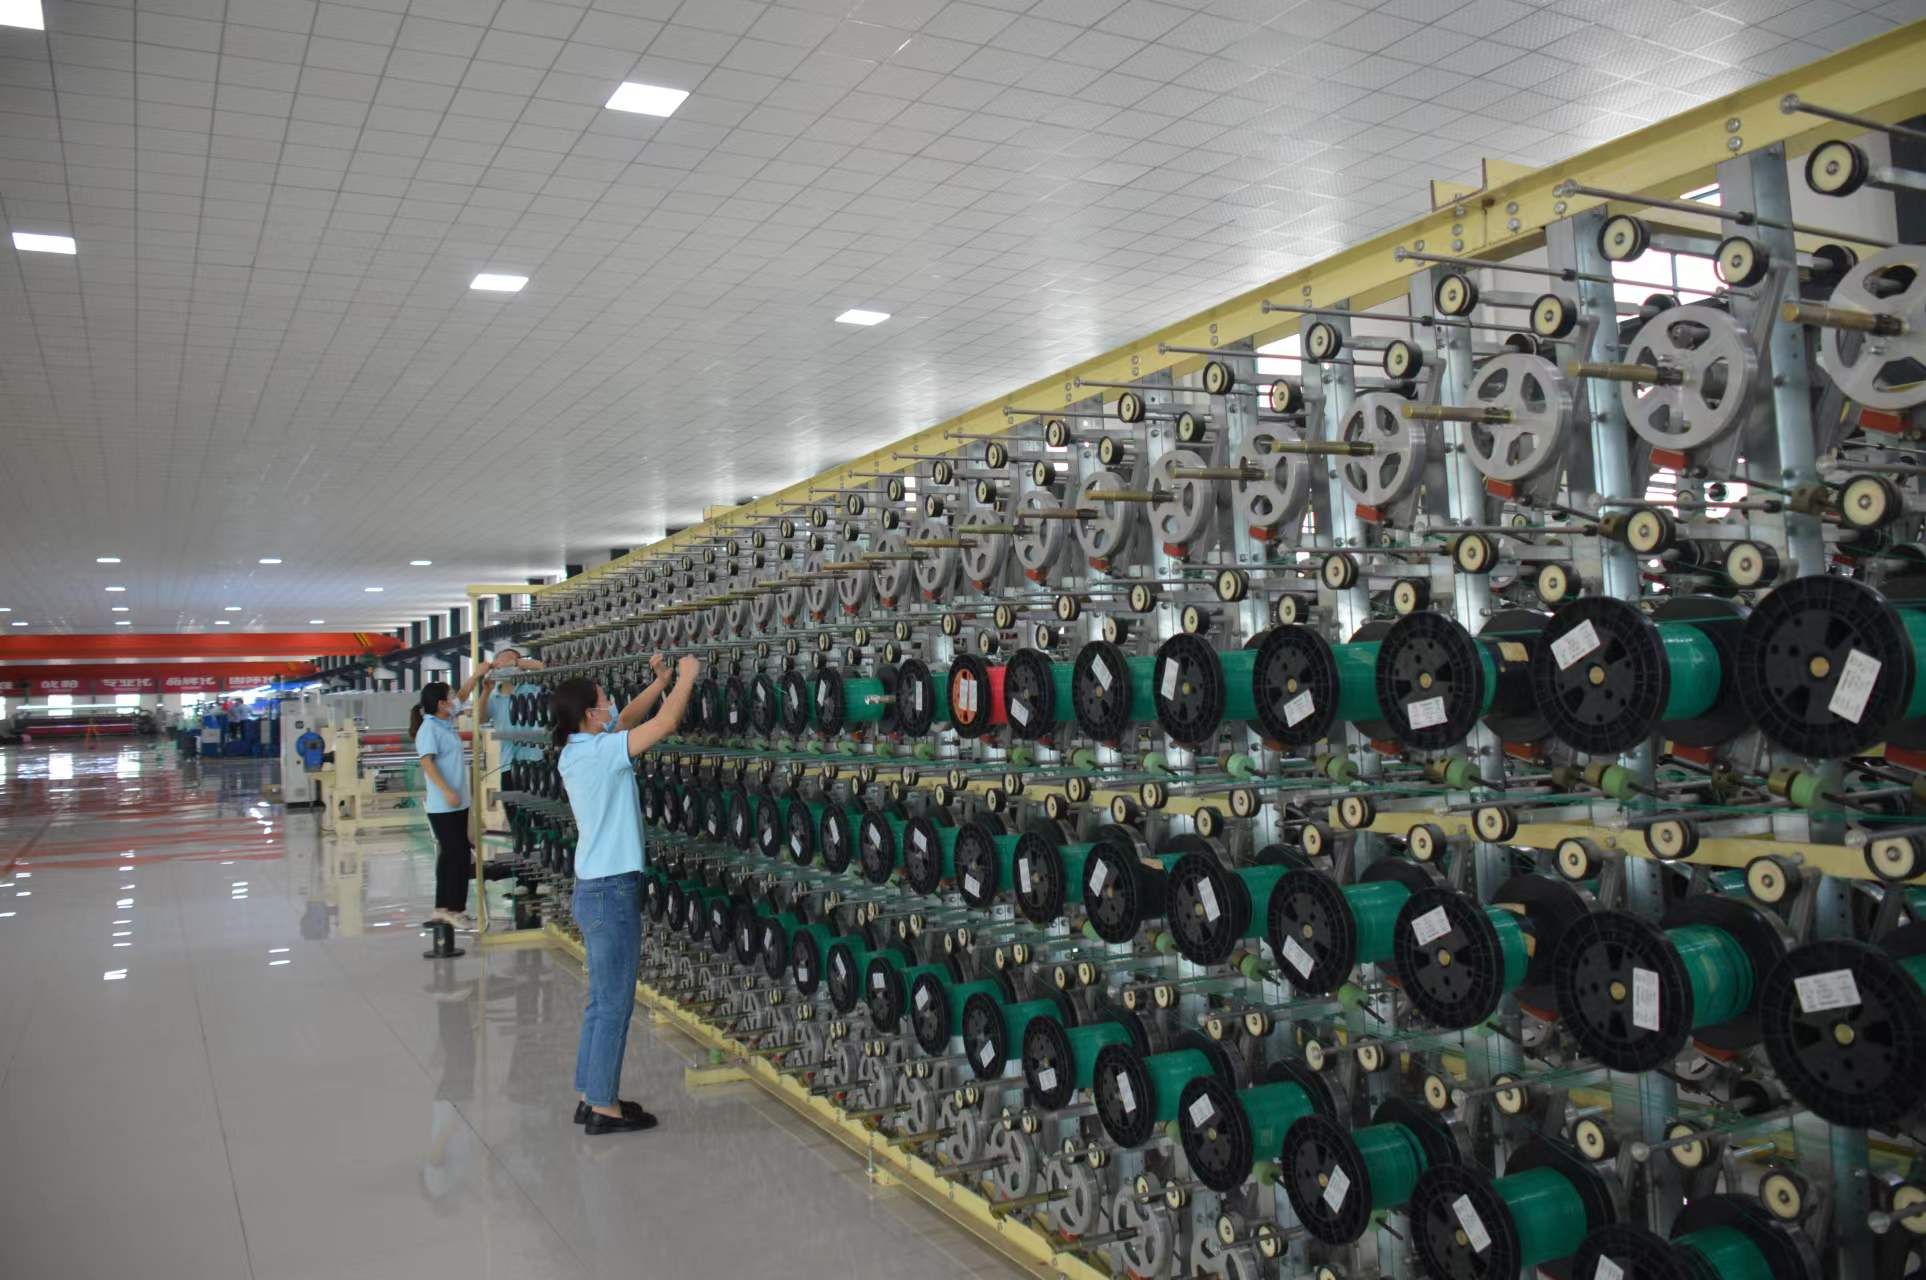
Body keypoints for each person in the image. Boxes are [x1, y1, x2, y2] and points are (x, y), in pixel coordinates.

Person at [552, 651, 693, 1135]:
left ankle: (590, 1094)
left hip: (594, 888)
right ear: (589, 714)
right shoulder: (598, 753)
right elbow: (664, 724)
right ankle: (604, 1108)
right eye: (603, 699)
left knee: (600, 1001)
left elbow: (629, 719)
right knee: (614, 1004)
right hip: (611, 892)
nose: (610, 703)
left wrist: (660, 682)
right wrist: (687, 678)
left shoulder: (579, 748)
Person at [411, 659, 496, 929]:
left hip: (457, 802)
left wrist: (478, 676)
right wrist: (447, 791)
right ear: (440, 704)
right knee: (457, 854)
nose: (454, 700)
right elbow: (427, 762)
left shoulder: (445, 721)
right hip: (443, 805)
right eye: (449, 697)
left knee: (451, 854)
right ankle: (453, 909)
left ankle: (443, 909)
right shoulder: (429, 729)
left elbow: (462, 694)